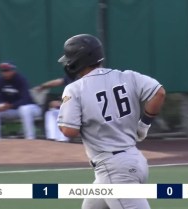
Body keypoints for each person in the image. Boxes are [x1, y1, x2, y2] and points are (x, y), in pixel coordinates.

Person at [57, 34, 166, 209]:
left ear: (77, 60)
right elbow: (159, 93)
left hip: (114, 169)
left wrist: (66, 107)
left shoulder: (75, 89)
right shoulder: (127, 76)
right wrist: (144, 125)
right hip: (133, 159)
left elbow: (69, 131)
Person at [0, 62, 42, 140]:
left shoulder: (21, 80)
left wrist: (10, 105)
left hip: (30, 108)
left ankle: (30, 138)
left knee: (24, 109)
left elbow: (25, 99)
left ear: (13, 70)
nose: (5, 73)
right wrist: (0, 105)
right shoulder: (0, 81)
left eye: (7, 70)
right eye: (3, 71)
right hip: (11, 110)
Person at [36, 76, 72, 142]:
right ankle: (52, 139)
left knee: (62, 111)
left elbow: (76, 96)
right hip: (71, 105)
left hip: (83, 108)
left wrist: (61, 103)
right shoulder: (72, 77)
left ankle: (63, 139)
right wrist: (43, 86)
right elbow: (58, 82)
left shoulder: (82, 80)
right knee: (51, 112)